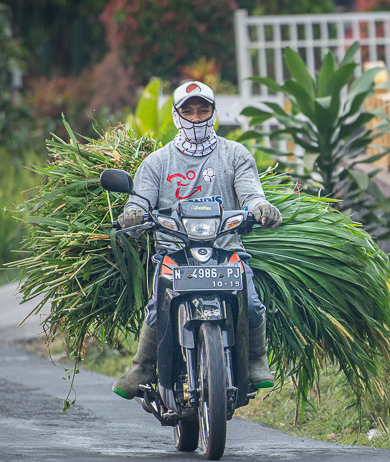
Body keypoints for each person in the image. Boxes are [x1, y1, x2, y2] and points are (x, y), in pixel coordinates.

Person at [112, 80, 282, 401]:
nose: (195, 117)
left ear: (213, 113)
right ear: (177, 115)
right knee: (156, 309)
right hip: (174, 252)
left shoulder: (234, 154)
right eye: (187, 111)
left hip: (225, 249)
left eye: (203, 110)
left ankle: (256, 360)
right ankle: (143, 366)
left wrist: (260, 208)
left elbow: (251, 193)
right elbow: (138, 202)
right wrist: (133, 214)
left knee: (253, 305)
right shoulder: (157, 163)